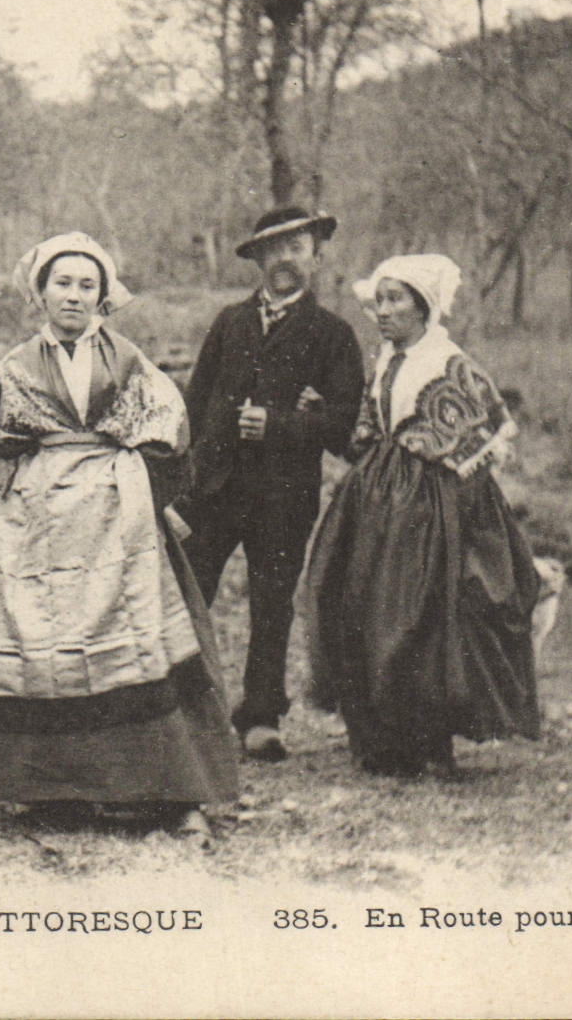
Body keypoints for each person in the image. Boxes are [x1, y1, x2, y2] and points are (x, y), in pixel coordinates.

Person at [0, 233, 241, 836]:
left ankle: (169, 792)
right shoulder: (13, 367)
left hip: (118, 512)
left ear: (104, 296)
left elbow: (169, 424)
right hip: (37, 515)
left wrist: (147, 490)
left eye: (88, 286)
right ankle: (54, 791)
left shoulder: (130, 361)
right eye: (63, 283)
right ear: (40, 293)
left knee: (135, 639)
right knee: (43, 638)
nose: (75, 296)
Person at [307, 254, 540, 776]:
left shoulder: (446, 361)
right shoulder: (388, 359)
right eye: (379, 300)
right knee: (362, 606)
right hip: (376, 500)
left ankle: (426, 738)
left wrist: (449, 504)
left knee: (418, 617)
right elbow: (366, 430)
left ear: (424, 306)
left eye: (396, 300)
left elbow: (486, 430)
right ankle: (383, 739)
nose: (383, 311)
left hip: (431, 506)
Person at [177, 207, 364, 761]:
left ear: (317, 256)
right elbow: (193, 403)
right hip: (212, 490)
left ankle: (260, 717)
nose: (285, 259)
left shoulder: (334, 336)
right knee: (187, 594)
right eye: (273, 249)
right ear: (257, 259)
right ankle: (178, 712)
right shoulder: (228, 322)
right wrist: (184, 478)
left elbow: (343, 425)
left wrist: (282, 424)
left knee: (272, 603)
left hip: (284, 496)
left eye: (297, 247)